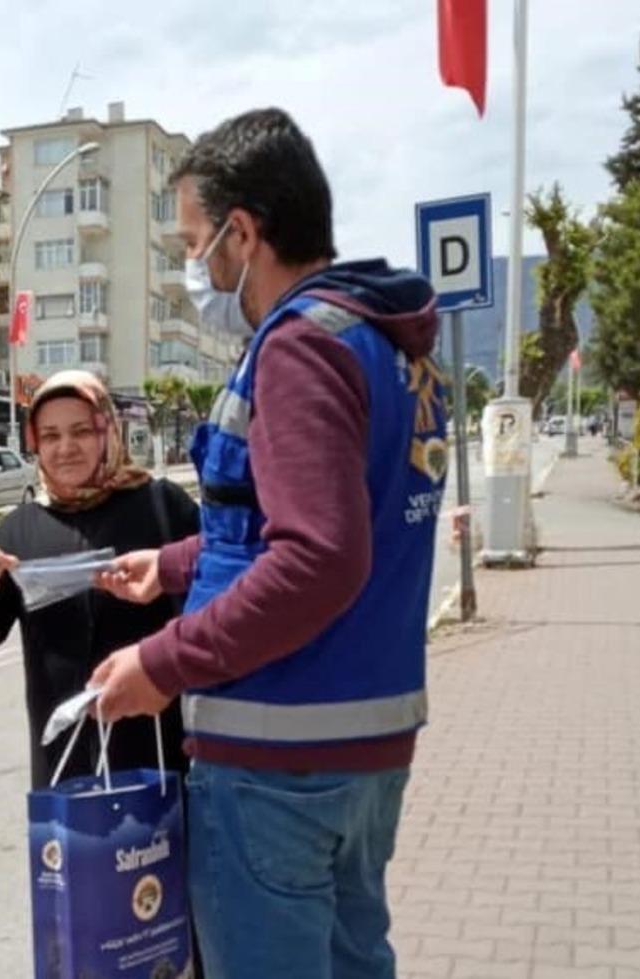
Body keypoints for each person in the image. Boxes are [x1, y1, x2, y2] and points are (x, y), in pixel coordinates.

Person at [91, 108, 448, 978]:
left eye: (194, 243)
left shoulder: (297, 349)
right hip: (364, 754)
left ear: (243, 232)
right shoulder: (387, 347)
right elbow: (297, 519)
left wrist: (162, 662)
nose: (196, 268)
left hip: (277, 768)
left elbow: (320, 558)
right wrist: (174, 566)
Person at [0, 370, 199, 788]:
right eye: (49, 436)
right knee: (71, 853)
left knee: (158, 852)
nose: (65, 448)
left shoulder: (161, 506)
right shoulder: (20, 528)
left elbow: (219, 591)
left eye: (81, 431)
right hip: (62, 763)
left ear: (107, 431)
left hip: (155, 748)